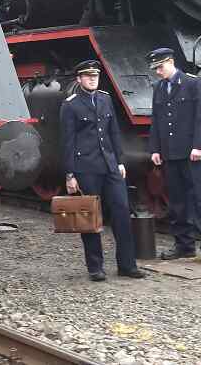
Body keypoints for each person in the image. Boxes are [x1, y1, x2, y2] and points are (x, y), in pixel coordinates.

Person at [60, 59, 146, 281]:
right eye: (88, 76)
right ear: (79, 79)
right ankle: (95, 267)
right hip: (86, 168)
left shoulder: (105, 99)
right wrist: (70, 174)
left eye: (95, 76)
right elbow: (68, 142)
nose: (92, 79)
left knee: (122, 212)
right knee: (89, 217)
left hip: (110, 165)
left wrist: (120, 161)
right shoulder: (70, 105)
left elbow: (113, 132)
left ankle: (127, 265)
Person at [147, 47, 201, 264]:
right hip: (170, 153)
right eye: (155, 68)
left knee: (199, 199)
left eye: (160, 67)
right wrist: (155, 149)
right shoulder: (159, 88)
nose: (158, 72)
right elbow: (157, 120)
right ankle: (183, 245)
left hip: (191, 153)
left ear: (171, 62)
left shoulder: (192, 84)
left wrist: (198, 146)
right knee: (176, 201)